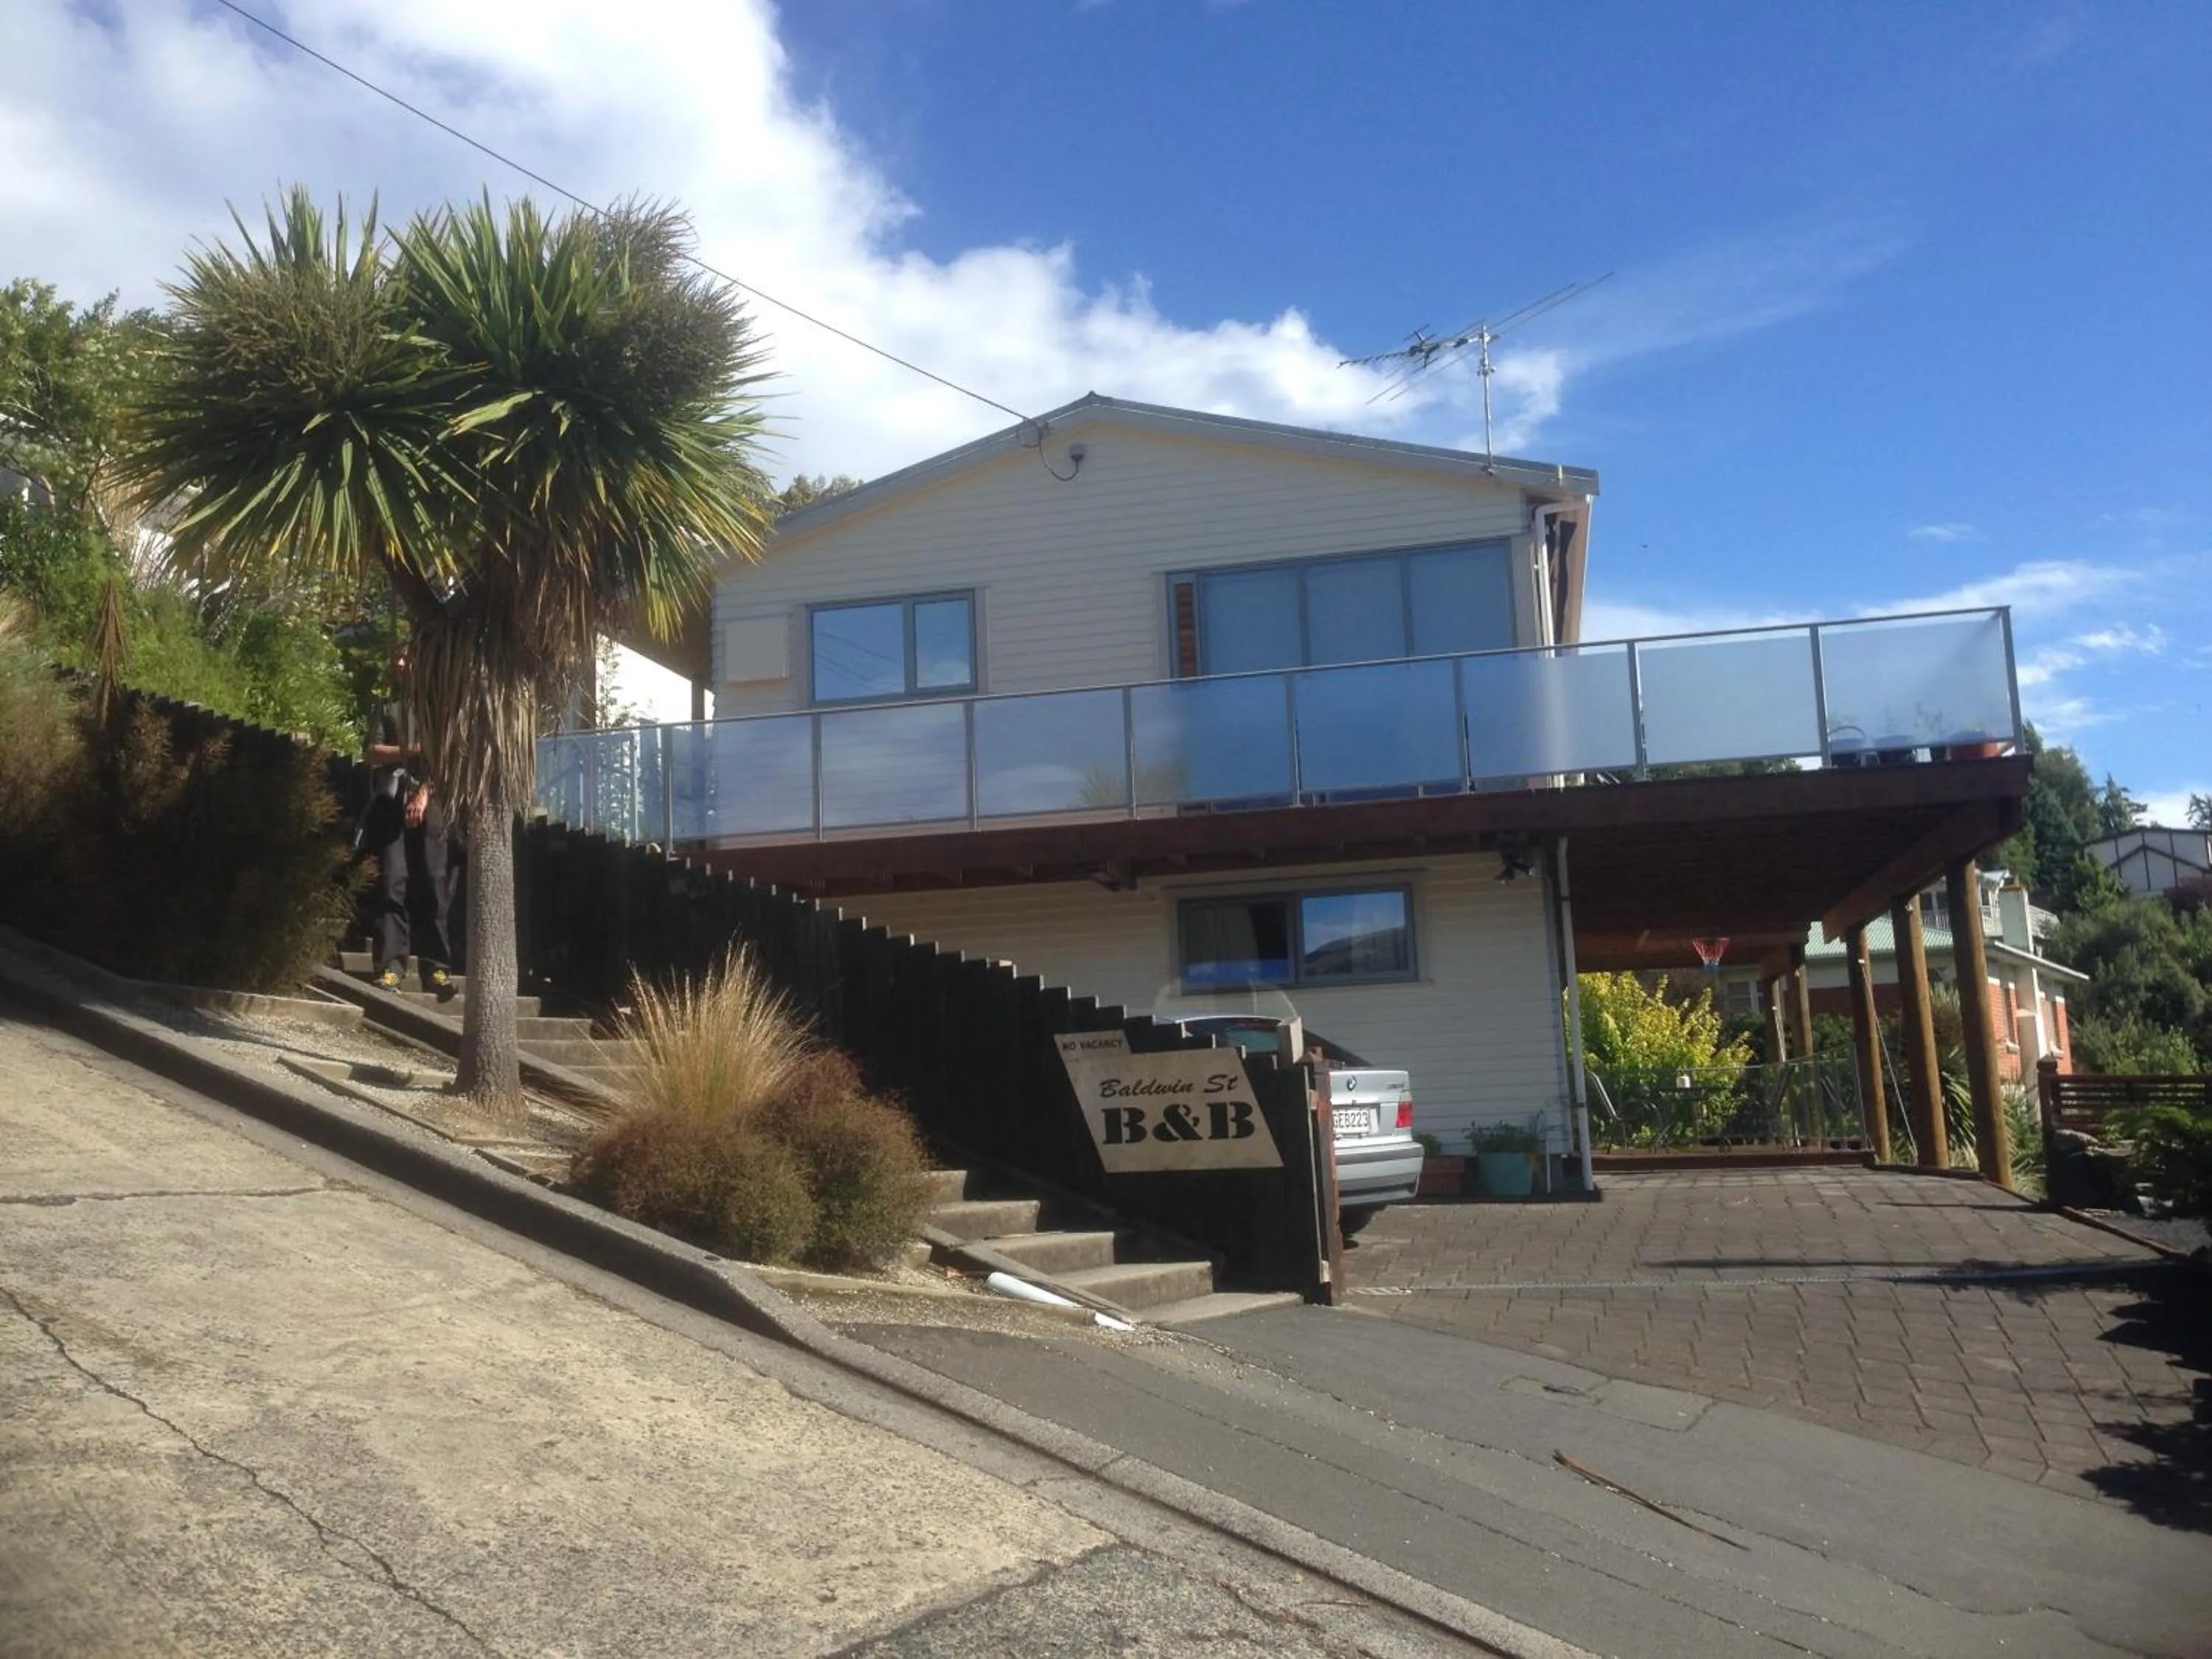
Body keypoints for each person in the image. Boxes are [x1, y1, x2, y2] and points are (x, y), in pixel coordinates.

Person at [361, 651, 456, 999]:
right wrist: (412, 751)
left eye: (406, 658)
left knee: (434, 881)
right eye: (396, 659)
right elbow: (371, 751)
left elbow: (445, 756)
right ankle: (390, 968)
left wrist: (423, 795)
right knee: (392, 881)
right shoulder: (386, 708)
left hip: (433, 802)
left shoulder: (440, 709)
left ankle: (437, 970)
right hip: (391, 803)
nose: (399, 665)